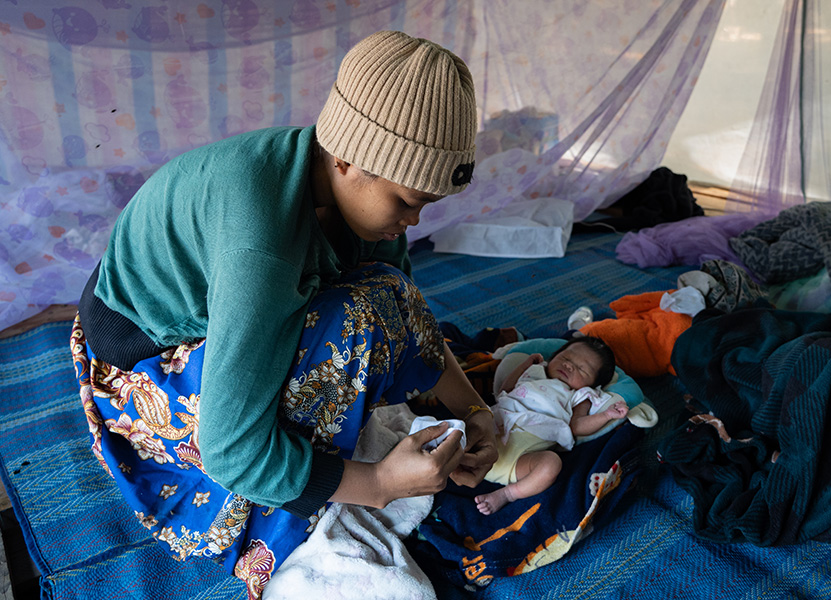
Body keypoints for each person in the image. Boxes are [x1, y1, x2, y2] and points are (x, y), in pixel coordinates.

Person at [71, 30, 497, 588]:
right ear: (347, 159)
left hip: (231, 307)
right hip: (140, 361)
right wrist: (381, 484)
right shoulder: (261, 245)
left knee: (384, 296)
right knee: (355, 328)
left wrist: (475, 411)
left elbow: (407, 317)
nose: (412, 223)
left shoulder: (361, 204)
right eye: (407, 203)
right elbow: (232, 451)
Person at [474, 336, 628, 515]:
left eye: (581, 369)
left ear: (592, 383)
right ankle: (439, 467)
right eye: (566, 358)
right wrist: (525, 365)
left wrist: (606, 415)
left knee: (551, 464)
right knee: (467, 418)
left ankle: (508, 494)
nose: (569, 366)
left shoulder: (579, 395)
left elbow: (576, 426)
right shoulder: (535, 373)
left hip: (521, 458)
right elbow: (504, 391)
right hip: (490, 432)